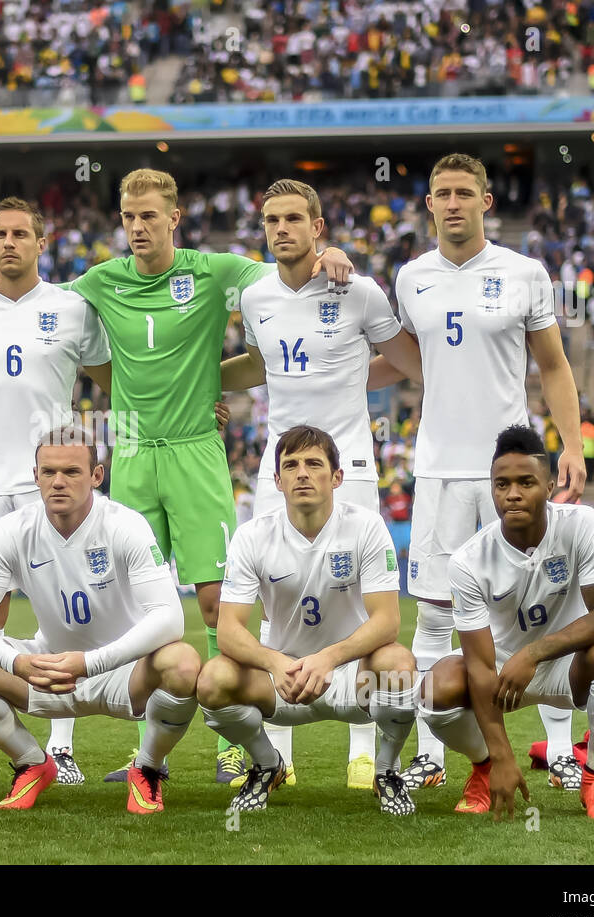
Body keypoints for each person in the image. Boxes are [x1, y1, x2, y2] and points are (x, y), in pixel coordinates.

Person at [0, 169, 353, 784]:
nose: (137, 228)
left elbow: (283, 276)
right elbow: (37, 298)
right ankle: (145, 755)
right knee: (126, 600)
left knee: (220, 599)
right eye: (128, 218)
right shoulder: (101, 281)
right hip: (133, 449)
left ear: (174, 219)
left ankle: (235, 742)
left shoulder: (216, 272)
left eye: (149, 217)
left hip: (194, 449)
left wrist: (329, 253)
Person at [392, 154, 588, 792]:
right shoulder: (409, 278)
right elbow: (401, 364)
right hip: (439, 473)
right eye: (441, 193)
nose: (452, 203)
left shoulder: (526, 274)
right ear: (429, 205)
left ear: (485, 202)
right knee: (434, 615)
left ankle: (559, 750)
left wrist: (573, 446)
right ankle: (432, 752)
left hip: (511, 472)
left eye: (463, 193)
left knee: (546, 610)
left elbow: (555, 367)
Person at [220, 178, 423, 790]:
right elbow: (263, 364)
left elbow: (411, 362)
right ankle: (273, 752)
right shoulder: (255, 297)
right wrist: (201, 385)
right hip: (275, 467)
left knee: (356, 598)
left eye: (293, 219)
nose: (282, 229)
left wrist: (355, 370)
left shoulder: (357, 290)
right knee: (271, 601)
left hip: (350, 468)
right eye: (271, 220)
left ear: (319, 227)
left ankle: (363, 749)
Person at [0, 196, 113, 784]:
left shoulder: (72, 308)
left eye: (20, 233)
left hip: (52, 476)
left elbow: (110, 375)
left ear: (43, 242)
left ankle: (61, 745)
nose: (8, 242)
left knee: (60, 608)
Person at [0, 427, 201, 813]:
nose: (58, 482)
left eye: (72, 472)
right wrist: (17, 662)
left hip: (123, 673)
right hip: (46, 669)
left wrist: (90, 663)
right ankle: (31, 762)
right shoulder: (14, 530)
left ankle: (146, 768)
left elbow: (170, 618)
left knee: (182, 662)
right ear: (35, 476)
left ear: (97, 476)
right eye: (48, 472)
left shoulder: (124, 525)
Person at [419, 426, 594, 821]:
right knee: (436, 687)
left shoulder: (581, 524)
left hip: (566, 667)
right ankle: (482, 770)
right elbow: (481, 665)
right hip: (498, 669)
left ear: (550, 485)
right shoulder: (467, 561)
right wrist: (500, 758)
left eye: (526, 482)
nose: (512, 494)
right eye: (501, 484)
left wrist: (534, 653)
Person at [199, 425, 418, 815]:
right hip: (282, 679)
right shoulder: (252, 536)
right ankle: (267, 764)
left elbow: (387, 622)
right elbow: (229, 629)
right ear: (277, 480)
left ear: (337, 477)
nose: (302, 473)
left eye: (314, 464)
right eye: (292, 465)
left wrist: (328, 659)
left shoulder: (366, 526)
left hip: (351, 678)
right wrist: (275, 662)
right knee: (213, 680)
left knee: (398, 665)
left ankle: (386, 772)